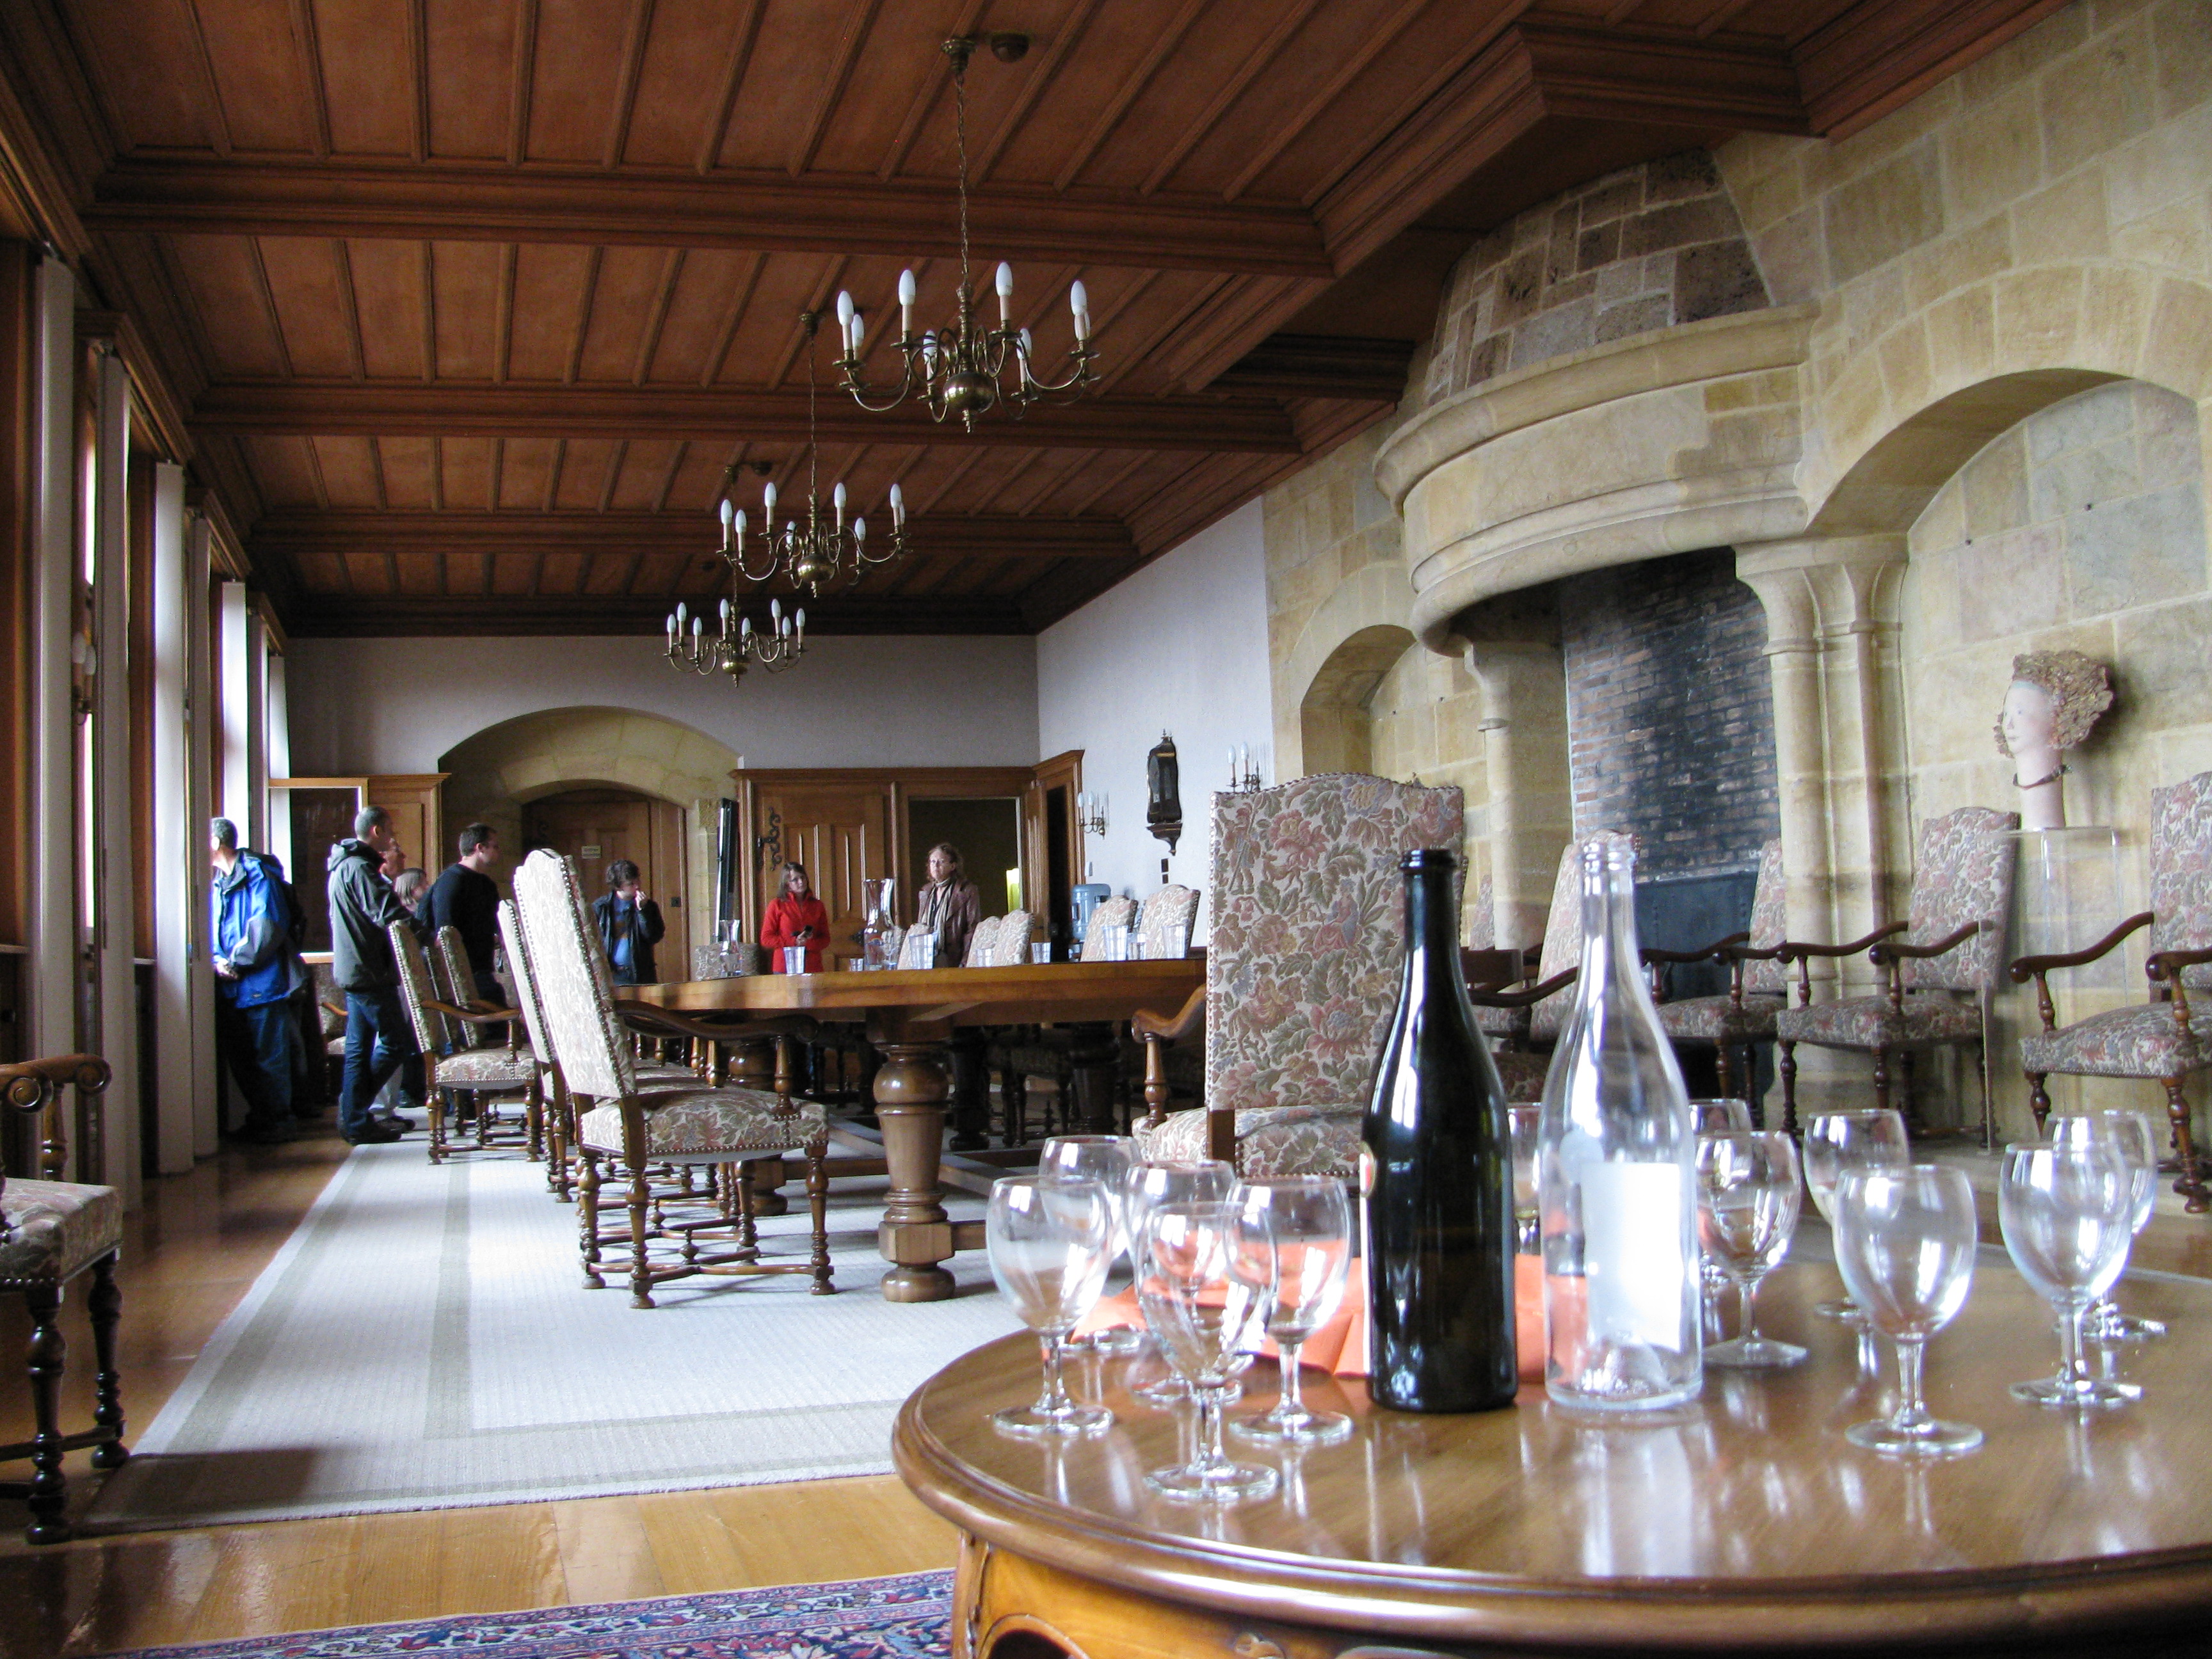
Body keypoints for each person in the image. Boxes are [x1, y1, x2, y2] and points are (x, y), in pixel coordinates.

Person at [328, 805, 428, 1146]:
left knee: (359, 1050)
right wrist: (428, 935)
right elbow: (387, 913)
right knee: (397, 1042)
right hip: (369, 971)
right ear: (377, 832)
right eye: (390, 831)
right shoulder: (359, 868)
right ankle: (353, 1112)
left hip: (357, 969)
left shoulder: (345, 866)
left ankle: (356, 1119)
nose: (392, 838)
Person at [210, 818, 307, 1144]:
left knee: (271, 1057)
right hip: (230, 985)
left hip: (263, 984)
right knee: (242, 1060)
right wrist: (217, 960)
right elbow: (212, 929)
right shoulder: (217, 882)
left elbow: (267, 925)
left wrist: (236, 961)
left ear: (216, 842)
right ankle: (261, 1119)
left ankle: (279, 1122)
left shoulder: (258, 874)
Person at [422, 822, 505, 1006]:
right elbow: (444, 934)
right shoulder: (451, 881)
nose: (499, 851)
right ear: (480, 848)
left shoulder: (487, 884)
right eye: (495, 846)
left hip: (482, 968)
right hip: (463, 974)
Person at [593, 860, 665, 986]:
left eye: (638, 880)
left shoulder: (650, 907)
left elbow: (654, 937)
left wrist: (642, 911)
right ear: (618, 886)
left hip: (641, 974)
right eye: (631, 884)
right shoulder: (602, 907)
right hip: (611, 974)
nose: (637, 886)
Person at [914, 842, 982, 968]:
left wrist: (965, 962)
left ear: (953, 866)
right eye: (933, 862)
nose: (936, 866)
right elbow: (921, 927)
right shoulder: (926, 892)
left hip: (952, 957)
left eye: (941, 862)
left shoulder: (966, 891)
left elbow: (972, 930)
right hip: (926, 956)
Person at [761, 860, 831, 972]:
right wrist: (793, 942)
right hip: (784, 966)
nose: (801, 882)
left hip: (812, 966)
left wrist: (808, 943)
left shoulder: (818, 905)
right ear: (787, 884)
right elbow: (766, 939)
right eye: (795, 880)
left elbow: (825, 939)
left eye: (803, 878)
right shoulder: (776, 905)